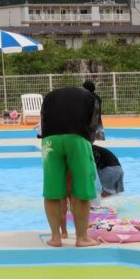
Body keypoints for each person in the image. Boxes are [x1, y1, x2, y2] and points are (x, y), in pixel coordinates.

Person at [39, 86, 100, 247]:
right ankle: (82, 238)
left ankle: (55, 238)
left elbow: (43, 121)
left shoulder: (50, 96)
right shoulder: (90, 97)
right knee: (82, 189)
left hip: (50, 140)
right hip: (77, 138)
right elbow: (93, 125)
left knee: (52, 190)